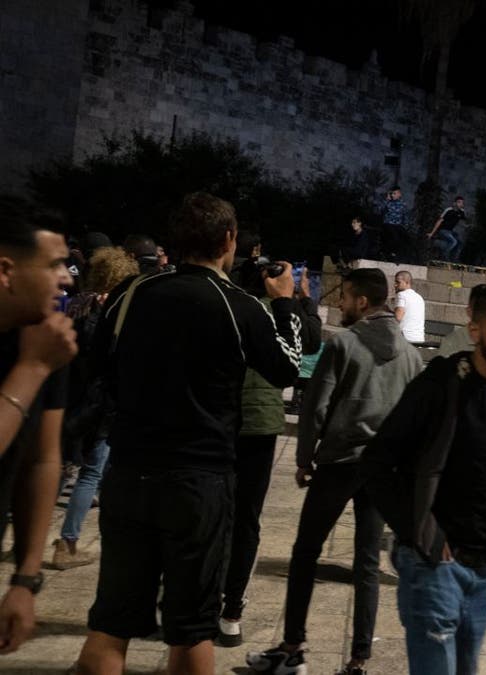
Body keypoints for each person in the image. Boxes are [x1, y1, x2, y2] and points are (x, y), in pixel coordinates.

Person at [75, 192, 304, 675]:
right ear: (228, 240)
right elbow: (286, 368)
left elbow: (98, 365)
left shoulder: (132, 292)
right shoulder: (239, 305)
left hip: (130, 469)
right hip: (198, 480)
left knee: (111, 622)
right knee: (191, 628)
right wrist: (285, 306)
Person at [247, 268, 424, 675]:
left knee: (306, 551)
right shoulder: (412, 356)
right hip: (383, 470)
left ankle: (292, 647)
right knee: (366, 564)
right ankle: (359, 659)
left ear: (363, 301)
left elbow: (316, 406)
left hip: (340, 462)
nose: (340, 304)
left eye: (344, 296)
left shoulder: (343, 343)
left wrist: (304, 457)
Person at [361, 282, 486, 675]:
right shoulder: (441, 385)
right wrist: (419, 531)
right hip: (434, 566)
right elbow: (376, 463)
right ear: (474, 329)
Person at [218, 247, 323, 648]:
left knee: (212, 512)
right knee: (246, 518)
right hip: (259, 423)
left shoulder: (227, 302)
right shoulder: (278, 312)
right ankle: (231, 611)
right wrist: (300, 297)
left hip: (222, 419)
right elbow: (310, 342)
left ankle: (196, 595)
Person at [0, 196, 76, 654]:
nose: (66, 277)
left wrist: (26, 578)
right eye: (54, 265)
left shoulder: (42, 339)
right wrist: (30, 369)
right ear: (7, 270)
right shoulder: (38, 354)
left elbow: (44, 457)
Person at [49, 247, 139, 570]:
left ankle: (27, 539)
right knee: (91, 472)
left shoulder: (70, 304)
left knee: (59, 468)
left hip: (64, 397)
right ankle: (67, 543)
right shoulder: (113, 313)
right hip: (97, 404)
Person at [428, 197, 468, 262]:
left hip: (450, 231)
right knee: (453, 241)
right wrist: (432, 233)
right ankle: (443, 256)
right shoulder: (448, 210)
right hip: (443, 231)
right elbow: (439, 221)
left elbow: (463, 222)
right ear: (454, 203)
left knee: (459, 243)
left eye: (462, 203)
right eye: (459, 202)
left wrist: (467, 226)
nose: (461, 204)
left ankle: (453, 258)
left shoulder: (461, 212)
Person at [380, 186, 411, 263]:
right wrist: (386, 200)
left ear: (399, 194)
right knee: (394, 236)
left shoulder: (403, 204)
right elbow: (379, 210)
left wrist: (406, 226)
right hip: (388, 224)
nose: (393, 195)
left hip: (398, 225)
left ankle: (401, 257)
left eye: (394, 193)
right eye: (391, 194)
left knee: (406, 238)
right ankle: (391, 254)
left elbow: (406, 216)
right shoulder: (388, 203)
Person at [393, 270, 425, 343]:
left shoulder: (401, 295)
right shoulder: (419, 297)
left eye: (398, 282)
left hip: (405, 339)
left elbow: (398, 317)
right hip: (419, 339)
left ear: (407, 282)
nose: (395, 285)